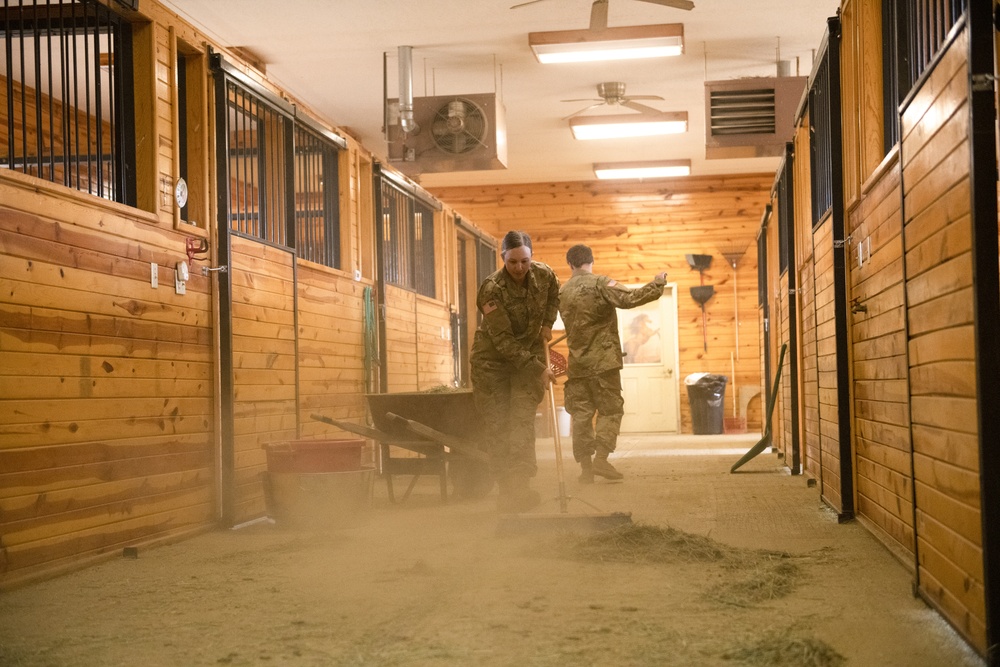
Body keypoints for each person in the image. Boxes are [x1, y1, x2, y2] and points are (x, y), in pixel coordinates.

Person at [558, 244, 667, 483]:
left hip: (577, 366)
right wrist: (657, 283)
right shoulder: (600, 283)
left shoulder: (563, 291)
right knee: (610, 410)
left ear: (570, 264)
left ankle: (586, 470)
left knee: (581, 416)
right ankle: (601, 460)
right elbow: (630, 298)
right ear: (591, 261)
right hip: (603, 364)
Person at [471, 231, 560, 513]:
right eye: (512, 263)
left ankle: (520, 487)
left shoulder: (545, 275)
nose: (519, 268)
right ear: (503, 259)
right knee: (499, 427)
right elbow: (505, 342)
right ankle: (506, 489)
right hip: (493, 363)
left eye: (525, 261)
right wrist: (539, 369)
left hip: (529, 356)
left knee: (520, 423)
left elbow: (555, 296)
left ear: (532, 257)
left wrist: (547, 322)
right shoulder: (491, 289)